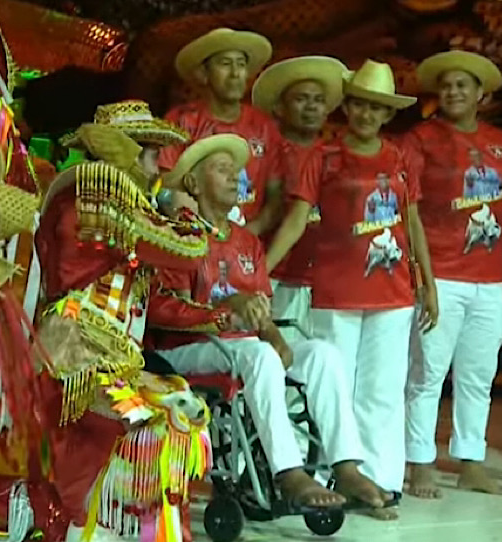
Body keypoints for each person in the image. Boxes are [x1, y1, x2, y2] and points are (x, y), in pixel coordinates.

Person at [0, 102, 213, 542]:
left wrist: (218, 317)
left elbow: (148, 300)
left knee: (74, 471)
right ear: (124, 151)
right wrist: (186, 212)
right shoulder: (96, 198)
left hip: (106, 352)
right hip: (74, 352)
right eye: (152, 152)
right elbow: (183, 250)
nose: (160, 165)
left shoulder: (119, 201)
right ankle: (75, 523)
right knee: (100, 442)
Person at [146, 134, 395, 515]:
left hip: (241, 348)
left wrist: (277, 336)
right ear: (194, 184)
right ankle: (289, 473)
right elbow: (160, 308)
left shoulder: (247, 242)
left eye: (236, 172)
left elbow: (261, 307)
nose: (234, 179)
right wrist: (223, 310)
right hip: (186, 350)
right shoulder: (174, 235)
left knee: (322, 355)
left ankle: (345, 466)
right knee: (259, 355)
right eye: (221, 170)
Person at [266, 60, 439, 520]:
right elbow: (297, 219)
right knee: (333, 387)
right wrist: (259, 274)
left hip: (394, 290)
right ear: (348, 106)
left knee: (383, 390)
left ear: (386, 114)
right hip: (337, 289)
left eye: (375, 107)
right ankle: (326, 478)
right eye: (358, 104)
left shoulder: (401, 158)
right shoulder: (322, 157)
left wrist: (429, 283)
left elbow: (412, 222)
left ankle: (380, 480)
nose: (365, 113)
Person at [403, 51, 502, 499]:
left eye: (464, 85)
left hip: (488, 280)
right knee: (427, 373)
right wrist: (422, 276)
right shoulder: (420, 139)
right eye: (447, 85)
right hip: (440, 275)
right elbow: (408, 209)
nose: (454, 92)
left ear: (481, 93)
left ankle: (470, 461)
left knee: (479, 373)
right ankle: (418, 460)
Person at [250, 55, 348, 331]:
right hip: (275, 277)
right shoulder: (264, 152)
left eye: (318, 100)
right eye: (301, 99)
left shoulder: (336, 155)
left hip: (325, 281)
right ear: (279, 107)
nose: (311, 107)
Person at [159, 28, 283, 235]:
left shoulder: (264, 126)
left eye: (241, 64)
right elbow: (167, 187)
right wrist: (202, 234)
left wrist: (246, 236)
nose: (235, 73)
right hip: (193, 240)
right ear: (204, 74)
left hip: (248, 247)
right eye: (225, 64)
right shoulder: (181, 121)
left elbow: (275, 197)